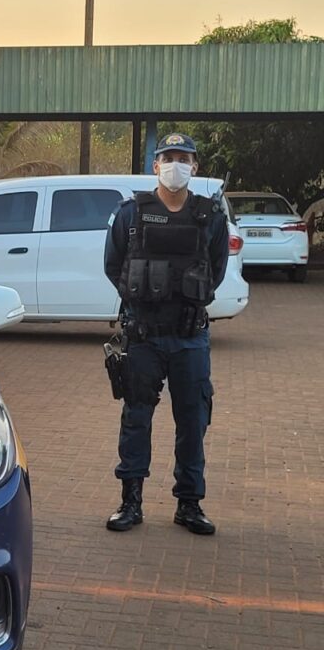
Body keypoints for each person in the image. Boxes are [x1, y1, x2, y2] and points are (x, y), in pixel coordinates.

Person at [103, 133, 229, 535]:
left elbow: (217, 269)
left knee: (193, 420)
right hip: (143, 336)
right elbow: (114, 265)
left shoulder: (210, 216)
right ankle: (130, 502)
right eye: (168, 157)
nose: (176, 165)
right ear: (155, 166)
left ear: (195, 166)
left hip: (190, 338)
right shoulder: (131, 213)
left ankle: (189, 505)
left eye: (183, 158)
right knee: (136, 417)